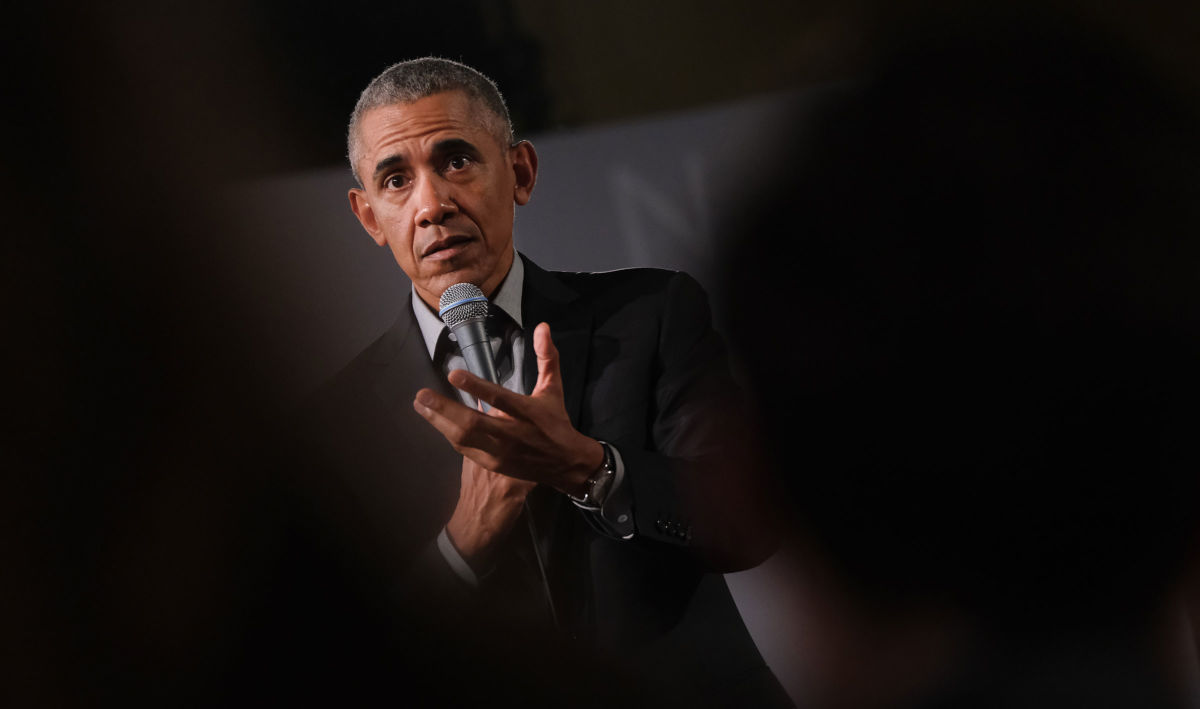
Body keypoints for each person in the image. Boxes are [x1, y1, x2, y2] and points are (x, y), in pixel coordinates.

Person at [292, 57, 789, 708]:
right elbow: (339, 661)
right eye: (395, 179)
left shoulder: (651, 316)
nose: (432, 204)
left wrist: (592, 468)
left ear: (520, 172)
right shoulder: (334, 422)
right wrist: (462, 541)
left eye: (457, 160)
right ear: (368, 217)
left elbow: (749, 522)